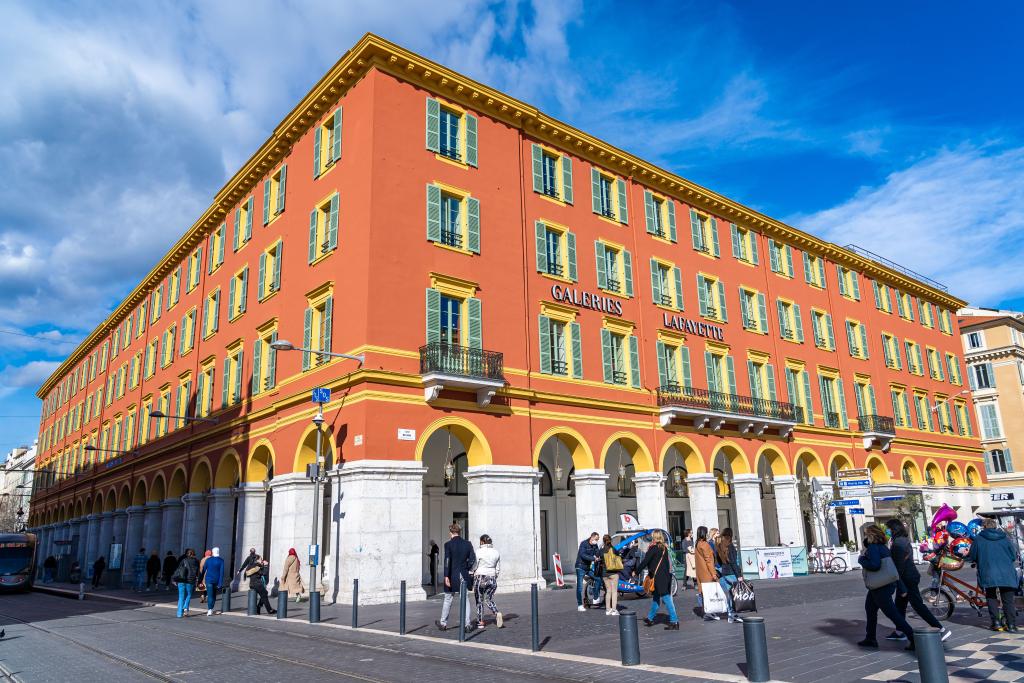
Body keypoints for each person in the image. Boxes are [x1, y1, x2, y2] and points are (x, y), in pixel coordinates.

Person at [883, 518, 948, 641]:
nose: (887, 531)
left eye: (888, 528)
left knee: (917, 605)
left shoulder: (899, 543)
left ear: (894, 529)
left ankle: (940, 629)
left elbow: (899, 565)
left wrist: (898, 582)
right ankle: (899, 631)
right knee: (899, 605)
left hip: (906, 578)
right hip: (907, 577)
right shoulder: (900, 540)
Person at [857, 525, 915, 650]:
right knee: (870, 610)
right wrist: (901, 587)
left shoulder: (873, 547)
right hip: (882, 585)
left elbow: (875, 565)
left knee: (892, 613)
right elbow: (892, 569)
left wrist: (861, 560)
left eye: (866, 534)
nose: (864, 537)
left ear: (871, 535)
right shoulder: (883, 547)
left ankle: (913, 637)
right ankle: (870, 638)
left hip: (880, 586)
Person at [968, 518, 1018, 631]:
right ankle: (1011, 625)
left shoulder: (979, 539)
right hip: (1006, 572)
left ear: (984, 527)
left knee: (991, 597)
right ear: (995, 527)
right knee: (1008, 600)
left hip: (988, 572)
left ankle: (996, 623)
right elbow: (1013, 556)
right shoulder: (1005, 538)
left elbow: (972, 556)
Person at [435, 523, 475, 632]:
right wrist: (465, 568)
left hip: (452, 575)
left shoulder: (448, 544)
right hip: (463, 575)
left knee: (448, 599)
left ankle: (443, 623)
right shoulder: (467, 544)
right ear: (459, 532)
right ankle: (467, 624)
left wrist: (446, 576)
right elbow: (472, 559)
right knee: (465, 599)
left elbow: (447, 560)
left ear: (450, 533)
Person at [639, 530, 679, 630]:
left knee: (666, 599)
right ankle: (650, 618)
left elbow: (645, 561)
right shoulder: (664, 548)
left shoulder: (653, 548)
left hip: (658, 578)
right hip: (665, 576)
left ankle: (674, 621)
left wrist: (636, 571)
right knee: (656, 599)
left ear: (654, 537)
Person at [472, 534, 502, 628]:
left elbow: (474, 565)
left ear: (482, 542)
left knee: (479, 601)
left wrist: (472, 572)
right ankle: (496, 612)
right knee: (488, 599)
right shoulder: (496, 552)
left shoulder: (478, 552)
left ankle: (480, 621)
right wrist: (494, 576)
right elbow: (498, 568)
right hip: (492, 578)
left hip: (480, 578)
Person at [716, 528, 743, 624]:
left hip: (724, 573)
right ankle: (734, 614)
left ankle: (730, 614)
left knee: (729, 596)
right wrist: (739, 575)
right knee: (734, 595)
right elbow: (733, 562)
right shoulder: (730, 546)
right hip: (731, 573)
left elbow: (718, 561)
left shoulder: (720, 546)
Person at [574, 532, 600, 612]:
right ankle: (580, 605)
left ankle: (596, 597)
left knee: (598, 578)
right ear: (591, 537)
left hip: (587, 568)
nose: (597, 541)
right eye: (596, 539)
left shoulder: (595, 545)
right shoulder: (584, 544)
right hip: (580, 567)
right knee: (580, 587)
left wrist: (600, 556)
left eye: (598, 539)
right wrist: (593, 558)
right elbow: (583, 555)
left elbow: (598, 553)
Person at [173, 549, 199, 618]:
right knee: (189, 595)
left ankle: (179, 614)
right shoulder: (196, 561)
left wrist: (174, 580)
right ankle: (185, 607)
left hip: (181, 580)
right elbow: (198, 572)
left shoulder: (183, 560)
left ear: (187, 554)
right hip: (190, 580)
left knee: (181, 597)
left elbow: (178, 570)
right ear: (194, 554)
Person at [600, 534, 622, 616]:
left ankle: (607, 610)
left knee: (608, 591)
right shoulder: (613, 549)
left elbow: (598, 558)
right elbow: (619, 557)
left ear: (603, 541)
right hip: (613, 573)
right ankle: (614, 610)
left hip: (604, 574)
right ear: (610, 540)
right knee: (614, 592)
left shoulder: (601, 550)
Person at [200, 547, 224, 616]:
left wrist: (200, 579)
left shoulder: (208, 560)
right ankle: (211, 607)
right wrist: (220, 583)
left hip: (209, 579)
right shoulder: (221, 560)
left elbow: (204, 569)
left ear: (213, 552)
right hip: (216, 580)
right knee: (214, 595)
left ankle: (210, 609)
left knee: (210, 594)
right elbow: (221, 573)